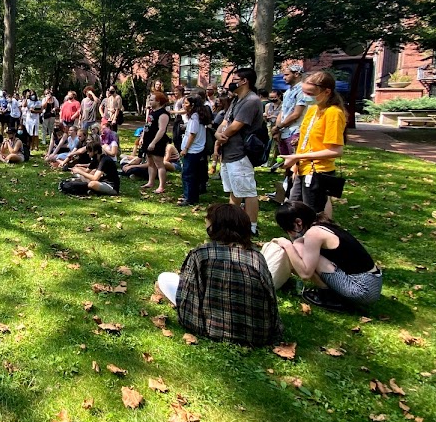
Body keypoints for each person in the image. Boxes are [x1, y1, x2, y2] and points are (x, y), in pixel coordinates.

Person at [155, 204, 283, 346]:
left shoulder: (200, 254)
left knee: (165, 278)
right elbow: (271, 299)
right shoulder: (257, 258)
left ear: (214, 226)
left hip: (208, 328)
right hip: (256, 334)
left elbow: (188, 295)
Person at [274, 201, 382, 310]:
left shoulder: (314, 234)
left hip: (362, 289)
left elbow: (305, 274)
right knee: (299, 244)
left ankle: (328, 297)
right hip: (372, 282)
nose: (288, 232)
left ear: (298, 222)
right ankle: (331, 294)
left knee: (298, 249)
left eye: (287, 228)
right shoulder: (321, 224)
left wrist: (287, 245)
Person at [279, 70, 346, 218]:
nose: (305, 97)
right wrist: (296, 163)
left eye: (310, 93)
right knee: (292, 212)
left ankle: (314, 239)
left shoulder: (333, 113)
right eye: (304, 92)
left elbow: (335, 150)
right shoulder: (313, 109)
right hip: (302, 168)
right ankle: (299, 240)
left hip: (318, 172)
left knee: (311, 215)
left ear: (327, 92)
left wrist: (298, 157)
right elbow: (305, 139)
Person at [213, 68, 264, 235]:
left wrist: (222, 136)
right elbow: (226, 121)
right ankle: (233, 223)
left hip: (241, 153)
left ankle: (251, 227)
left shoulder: (251, 100)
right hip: (228, 153)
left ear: (244, 81)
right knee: (234, 191)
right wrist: (217, 134)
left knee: (248, 191)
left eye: (235, 79)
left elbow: (236, 125)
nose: (231, 83)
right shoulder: (236, 100)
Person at [272, 64, 307, 171]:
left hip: (295, 131)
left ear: (296, 74)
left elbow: (296, 114)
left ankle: (295, 186)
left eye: (287, 75)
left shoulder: (303, 90)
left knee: (296, 166)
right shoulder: (287, 92)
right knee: (285, 164)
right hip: (284, 132)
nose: (284, 77)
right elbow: (282, 112)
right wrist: (277, 129)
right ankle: (288, 186)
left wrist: (278, 127)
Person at [178, 94, 208, 206]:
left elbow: (192, 134)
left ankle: (189, 198)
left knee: (187, 174)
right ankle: (192, 196)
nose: (184, 105)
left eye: (186, 103)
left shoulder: (195, 116)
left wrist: (185, 148)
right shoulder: (197, 116)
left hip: (192, 150)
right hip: (196, 149)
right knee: (192, 174)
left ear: (193, 104)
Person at [141, 89, 170, 193]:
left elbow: (162, 130)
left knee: (159, 164)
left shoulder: (163, 114)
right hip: (147, 140)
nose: (150, 101)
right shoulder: (152, 112)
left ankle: (161, 186)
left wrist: (153, 142)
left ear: (158, 101)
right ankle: (150, 182)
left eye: (152, 100)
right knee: (150, 163)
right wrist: (142, 137)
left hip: (157, 142)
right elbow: (146, 126)